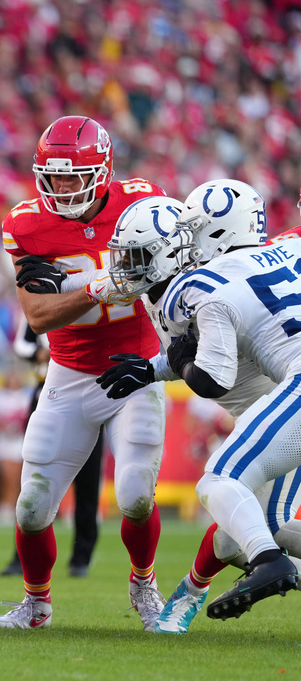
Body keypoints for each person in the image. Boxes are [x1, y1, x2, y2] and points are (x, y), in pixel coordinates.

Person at [0, 116, 167, 631]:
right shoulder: (26, 223)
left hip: (136, 369)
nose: (62, 188)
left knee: (133, 496)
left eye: (73, 176)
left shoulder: (143, 202)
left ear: (103, 170)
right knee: (32, 507)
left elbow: (177, 279)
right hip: (69, 371)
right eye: (54, 177)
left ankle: (144, 585)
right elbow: (38, 317)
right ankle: (36, 605)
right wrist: (97, 288)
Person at [98, 179, 301, 632]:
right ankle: (265, 559)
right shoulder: (285, 251)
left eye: (194, 229)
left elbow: (211, 378)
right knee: (252, 529)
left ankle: (271, 564)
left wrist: (178, 360)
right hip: (285, 394)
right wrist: (156, 368)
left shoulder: (201, 286)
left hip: (292, 391)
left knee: (219, 483)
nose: (186, 241)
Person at [0, 318, 104, 578]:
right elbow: (22, 345)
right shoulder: (41, 297)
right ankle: (23, 556)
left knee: (88, 482)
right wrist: (41, 353)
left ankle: (81, 557)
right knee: (35, 478)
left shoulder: (89, 297)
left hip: (87, 394)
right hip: (47, 394)